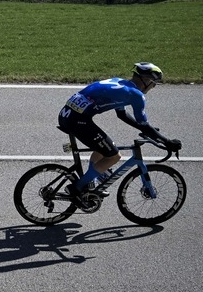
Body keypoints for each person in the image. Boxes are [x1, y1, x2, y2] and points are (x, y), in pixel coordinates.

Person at [60, 62, 181, 195]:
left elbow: (122, 114)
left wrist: (147, 130)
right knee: (114, 156)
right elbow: (143, 123)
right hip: (78, 120)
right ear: (146, 80)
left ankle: (91, 179)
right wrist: (167, 142)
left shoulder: (120, 83)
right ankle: (78, 188)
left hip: (66, 115)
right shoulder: (136, 95)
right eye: (154, 83)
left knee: (105, 146)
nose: (153, 87)